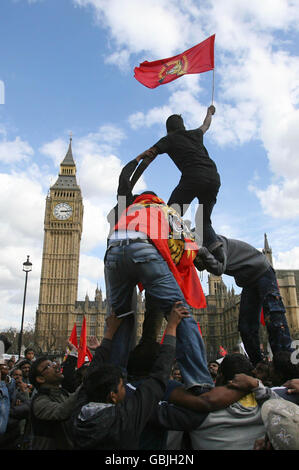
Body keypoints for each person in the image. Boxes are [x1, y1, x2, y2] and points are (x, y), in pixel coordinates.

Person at [105, 189, 213, 390]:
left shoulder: (129, 210)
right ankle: (200, 381)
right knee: (180, 312)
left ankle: (113, 383)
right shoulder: (165, 210)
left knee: (121, 317)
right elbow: (187, 244)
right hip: (142, 249)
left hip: (112, 251)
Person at [136, 105, 223, 261]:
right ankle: (215, 245)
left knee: (171, 213)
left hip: (194, 177)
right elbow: (206, 125)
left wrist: (136, 160)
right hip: (214, 177)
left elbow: (150, 154)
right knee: (203, 220)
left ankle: (180, 244)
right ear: (183, 126)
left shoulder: (169, 139)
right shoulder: (195, 134)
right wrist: (209, 113)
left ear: (168, 129)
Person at [194, 234, 293, 365]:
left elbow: (218, 269)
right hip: (249, 281)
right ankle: (259, 366)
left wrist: (202, 253)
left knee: (274, 316)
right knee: (245, 327)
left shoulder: (217, 244)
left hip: (262, 271)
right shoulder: (211, 252)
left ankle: (286, 364)